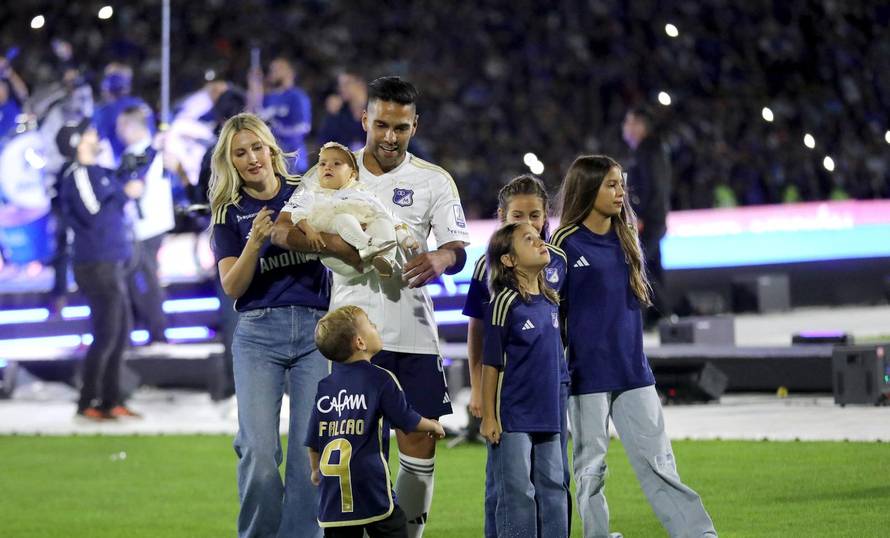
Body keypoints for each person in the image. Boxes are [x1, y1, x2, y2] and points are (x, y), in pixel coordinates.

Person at [273, 76, 470, 538]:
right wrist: (344, 249)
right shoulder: (332, 169)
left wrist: (441, 258)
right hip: (352, 338)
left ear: (415, 126)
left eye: (400, 128)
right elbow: (282, 230)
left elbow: (457, 247)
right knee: (357, 449)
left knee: (420, 442)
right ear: (365, 120)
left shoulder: (434, 180)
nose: (390, 137)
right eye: (381, 125)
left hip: (414, 331)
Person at [552, 155, 717, 538]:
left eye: (621, 184)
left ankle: (699, 535)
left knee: (660, 463)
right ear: (588, 188)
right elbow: (550, 312)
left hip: (633, 371)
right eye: (611, 185)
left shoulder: (626, 234)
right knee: (591, 469)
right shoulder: (564, 242)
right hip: (586, 375)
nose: (620, 192)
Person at [208, 112, 330, 538]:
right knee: (258, 454)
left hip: (316, 332)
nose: (252, 158)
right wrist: (255, 243)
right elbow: (232, 286)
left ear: (271, 148)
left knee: (308, 456)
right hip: (258, 334)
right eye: (240, 153)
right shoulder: (228, 212)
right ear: (231, 162)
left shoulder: (308, 190)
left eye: (257, 147)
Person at [461, 175, 570, 538]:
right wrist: (478, 390)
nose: (529, 223)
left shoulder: (557, 261)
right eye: (517, 216)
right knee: (507, 482)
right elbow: (480, 333)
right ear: (501, 216)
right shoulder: (488, 267)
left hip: (552, 384)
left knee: (555, 477)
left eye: (535, 215)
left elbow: (558, 325)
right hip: (511, 389)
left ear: (546, 214)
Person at [306, 305, 446, 537]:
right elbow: (407, 419)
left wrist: (314, 469)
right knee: (394, 527)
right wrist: (433, 425)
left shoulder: (325, 387)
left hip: (333, 500)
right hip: (372, 490)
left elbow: (314, 440)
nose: (375, 327)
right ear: (360, 342)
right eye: (370, 324)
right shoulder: (379, 379)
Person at [56, 119, 142, 421]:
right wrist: (124, 193)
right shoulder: (77, 174)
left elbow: (114, 192)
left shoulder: (98, 171)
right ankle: (87, 401)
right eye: (89, 133)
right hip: (96, 263)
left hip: (111, 261)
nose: (95, 136)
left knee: (119, 333)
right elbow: (93, 213)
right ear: (78, 142)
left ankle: (110, 399)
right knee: (106, 334)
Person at [288, 141, 418, 278]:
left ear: (352, 174)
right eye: (322, 164)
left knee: (382, 221)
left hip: (369, 259)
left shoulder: (361, 193)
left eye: (336, 163)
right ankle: (366, 245)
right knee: (342, 218)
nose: (328, 167)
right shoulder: (312, 194)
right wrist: (309, 232)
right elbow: (297, 214)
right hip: (338, 256)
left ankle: (385, 261)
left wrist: (403, 237)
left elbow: (385, 213)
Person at [116, 105, 175, 345]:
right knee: (143, 280)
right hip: (154, 224)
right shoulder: (157, 149)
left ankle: (156, 331)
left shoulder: (139, 154)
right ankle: (152, 328)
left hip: (145, 227)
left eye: (120, 126)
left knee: (145, 281)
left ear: (129, 126)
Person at [622, 106, 671, 327]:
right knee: (652, 267)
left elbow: (652, 186)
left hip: (649, 220)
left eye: (629, 122)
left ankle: (661, 315)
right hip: (654, 218)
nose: (625, 127)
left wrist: (639, 215)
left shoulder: (648, 151)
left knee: (638, 266)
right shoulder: (651, 149)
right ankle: (660, 317)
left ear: (640, 126)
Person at [249, 56, 312, 172]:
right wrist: (254, 86)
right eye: (271, 69)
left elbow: (303, 128)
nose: (272, 72)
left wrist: (278, 129)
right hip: (272, 160)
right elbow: (253, 116)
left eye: (277, 69)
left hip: (292, 161)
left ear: (290, 72)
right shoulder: (270, 97)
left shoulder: (297, 96)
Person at [92, 63, 155, 166]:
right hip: (147, 159)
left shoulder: (105, 111)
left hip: (118, 165)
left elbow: (98, 142)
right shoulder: (140, 104)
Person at [317, 72, 367, 151]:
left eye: (346, 84)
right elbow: (323, 144)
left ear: (360, 83)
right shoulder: (337, 112)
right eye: (340, 85)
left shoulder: (377, 110)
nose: (341, 88)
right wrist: (331, 115)